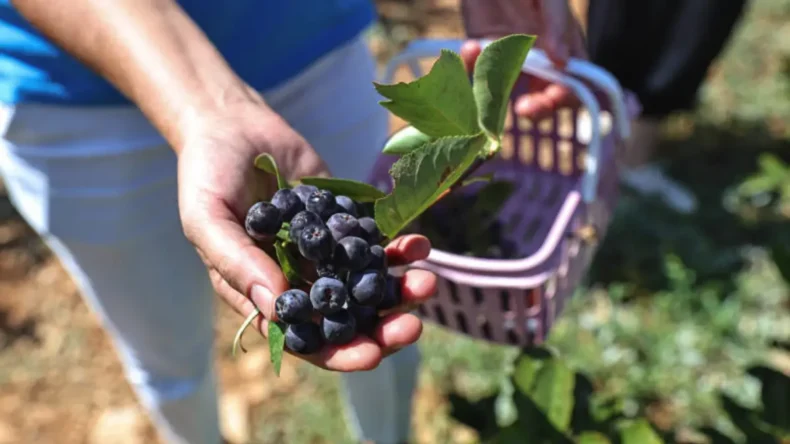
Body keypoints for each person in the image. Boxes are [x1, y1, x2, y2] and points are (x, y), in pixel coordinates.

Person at [0, 0, 747, 443]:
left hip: (314, 40)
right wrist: (208, 107)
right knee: (166, 356)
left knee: (383, 295)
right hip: (73, 101)